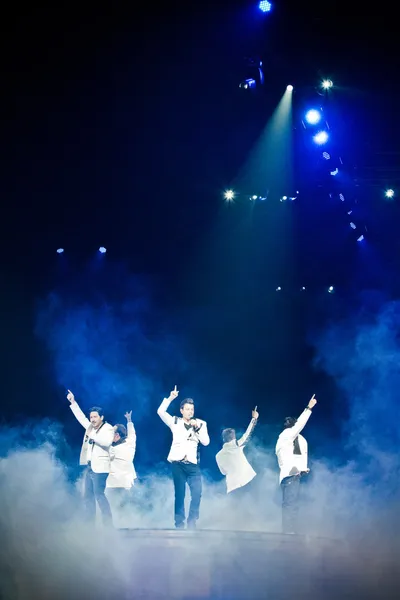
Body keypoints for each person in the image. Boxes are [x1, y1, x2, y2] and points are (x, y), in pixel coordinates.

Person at [157, 385, 210, 529]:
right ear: (181, 411)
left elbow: (206, 442)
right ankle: (179, 523)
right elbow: (160, 411)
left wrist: (197, 428)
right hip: (178, 463)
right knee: (180, 494)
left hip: (192, 464)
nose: (190, 411)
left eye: (192, 409)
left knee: (197, 494)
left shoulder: (200, 423)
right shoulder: (174, 421)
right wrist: (171, 398)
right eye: (187, 409)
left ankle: (192, 520)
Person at [67, 389, 114, 527]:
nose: (92, 419)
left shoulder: (108, 428)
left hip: (100, 468)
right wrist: (73, 402)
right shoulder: (90, 428)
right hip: (90, 467)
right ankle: (89, 525)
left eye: (95, 417)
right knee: (88, 497)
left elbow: (106, 442)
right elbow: (81, 417)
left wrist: (92, 435)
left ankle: (108, 525)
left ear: (102, 417)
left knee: (99, 495)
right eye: (91, 417)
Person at [275, 394, 318, 534]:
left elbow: (297, 455)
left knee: (292, 505)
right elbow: (299, 424)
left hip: (294, 475)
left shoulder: (294, 439)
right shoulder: (286, 435)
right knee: (290, 505)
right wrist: (308, 408)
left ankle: (289, 532)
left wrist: (303, 469)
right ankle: (288, 533)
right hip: (290, 476)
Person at [216, 407, 259, 496]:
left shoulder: (218, 456)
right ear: (234, 437)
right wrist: (254, 418)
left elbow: (223, 472)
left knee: (236, 509)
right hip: (246, 483)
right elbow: (247, 434)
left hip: (232, 487)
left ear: (223, 439)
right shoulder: (236, 445)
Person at [106, 410, 137, 520]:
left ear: (117, 435)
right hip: (127, 484)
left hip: (114, 484)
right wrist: (129, 420)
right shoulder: (130, 443)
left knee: (114, 511)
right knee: (125, 511)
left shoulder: (113, 450)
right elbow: (132, 433)